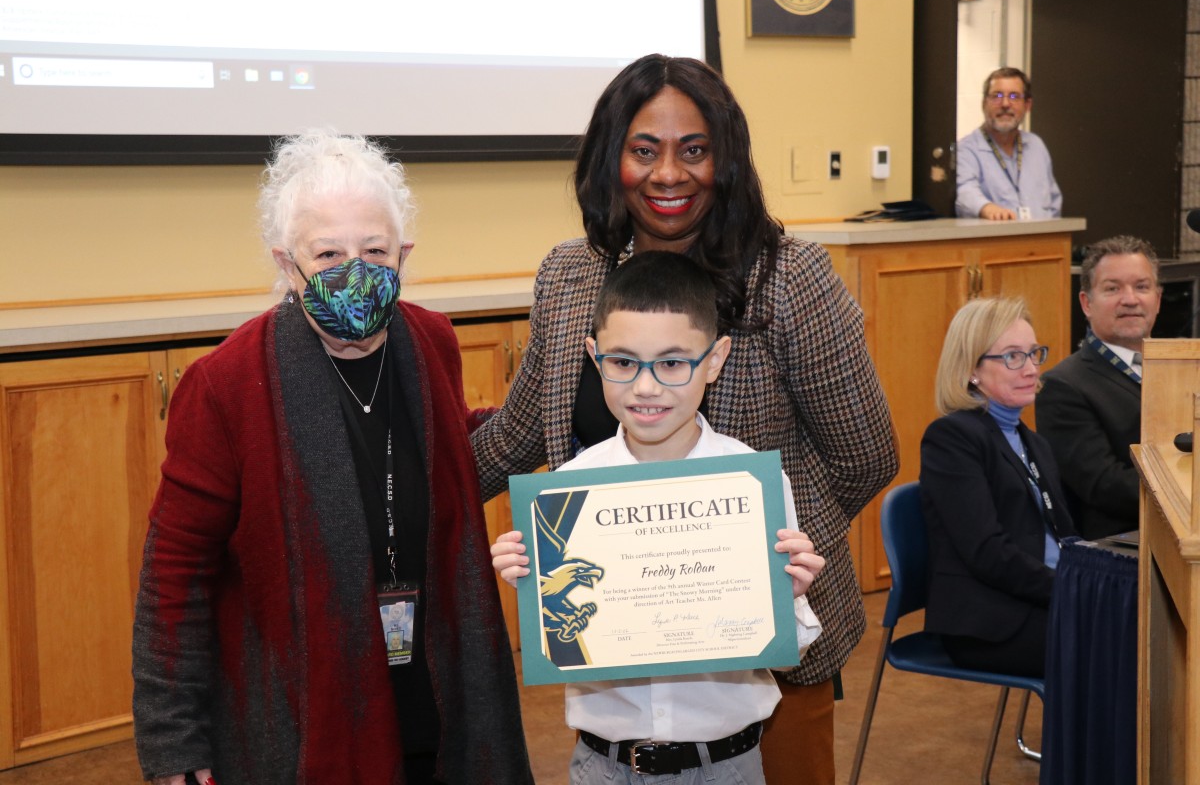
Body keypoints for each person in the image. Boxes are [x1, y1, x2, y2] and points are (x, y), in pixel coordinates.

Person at [471, 54, 898, 783]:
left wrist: (755, 563)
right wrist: (405, 489)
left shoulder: (790, 275)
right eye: (645, 150)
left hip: (762, 663)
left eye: (694, 150)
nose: (670, 173)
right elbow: (514, 436)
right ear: (613, 159)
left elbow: (865, 454)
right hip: (614, 652)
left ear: (724, 159)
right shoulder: (568, 275)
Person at [131, 130, 533, 785]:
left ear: (403, 255)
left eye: (374, 250)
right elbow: (176, 573)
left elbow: (439, 452)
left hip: (434, 693)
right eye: (328, 253)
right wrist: (173, 742)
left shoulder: (431, 340)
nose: (355, 269)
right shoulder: (225, 384)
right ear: (287, 264)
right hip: (304, 717)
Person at [491, 251, 826, 784]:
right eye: (623, 362)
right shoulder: (567, 492)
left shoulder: (749, 484)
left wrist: (784, 600)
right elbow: (567, 635)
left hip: (727, 766)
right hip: (604, 767)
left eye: (672, 363)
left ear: (714, 361)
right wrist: (532, 582)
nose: (645, 387)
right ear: (593, 357)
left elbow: (788, 655)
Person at [920, 297, 1076, 677]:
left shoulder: (1032, 441)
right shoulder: (952, 438)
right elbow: (987, 552)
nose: (1031, 369)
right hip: (989, 619)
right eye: (1012, 357)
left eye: (1034, 354)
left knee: (1144, 625)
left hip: (1038, 598)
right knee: (1118, 641)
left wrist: (1092, 581)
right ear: (972, 368)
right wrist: (1070, 591)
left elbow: (1064, 534)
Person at [1035, 236, 1161, 540]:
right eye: (1113, 288)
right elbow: (1107, 487)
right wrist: (1190, 491)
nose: (1130, 299)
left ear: (1157, 299)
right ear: (1086, 303)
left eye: (1141, 287)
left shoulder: (1185, 367)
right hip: (1124, 551)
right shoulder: (1062, 387)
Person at [955, 66, 1062, 221]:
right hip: (997, 243)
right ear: (984, 103)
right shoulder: (966, 149)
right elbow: (965, 191)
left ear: (1027, 105)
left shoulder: (1037, 146)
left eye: (1014, 96)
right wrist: (986, 207)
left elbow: (1054, 203)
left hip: (1042, 242)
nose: (1005, 104)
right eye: (996, 96)